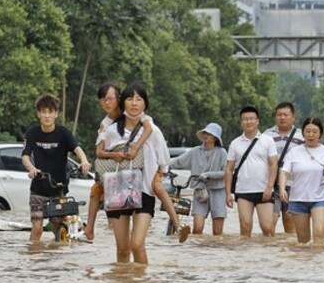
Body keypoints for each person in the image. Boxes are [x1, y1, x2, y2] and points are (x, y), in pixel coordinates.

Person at [85, 84, 188, 242]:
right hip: (121, 173)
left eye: (110, 98)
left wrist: (136, 151)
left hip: (145, 171)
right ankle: (90, 228)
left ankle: (176, 223)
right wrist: (115, 154)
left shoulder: (138, 116)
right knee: (96, 190)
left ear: (119, 99)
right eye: (102, 100)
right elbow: (98, 151)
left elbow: (149, 129)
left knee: (157, 187)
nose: (106, 103)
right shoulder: (107, 124)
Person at [97, 82, 171, 264]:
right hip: (118, 189)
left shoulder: (153, 130)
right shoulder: (111, 130)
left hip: (145, 190)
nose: (134, 103)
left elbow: (164, 161)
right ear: (123, 102)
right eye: (130, 99)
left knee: (137, 244)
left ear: (145, 103)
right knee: (122, 249)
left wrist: (157, 178)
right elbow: (101, 156)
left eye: (139, 99)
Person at [21, 93, 91, 241]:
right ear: (38, 114)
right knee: (37, 228)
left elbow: (77, 149)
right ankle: (34, 259)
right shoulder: (32, 133)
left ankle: (57, 260)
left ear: (56, 114)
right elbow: (25, 156)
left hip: (59, 189)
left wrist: (84, 161)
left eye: (50, 112)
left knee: (57, 227)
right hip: (38, 189)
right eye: (43, 112)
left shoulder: (63, 133)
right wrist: (32, 169)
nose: (47, 116)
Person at [279, 118, 324, 246]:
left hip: (320, 198)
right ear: (303, 133)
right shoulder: (294, 152)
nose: (311, 135)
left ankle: (319, 263)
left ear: (320, 133)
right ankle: (306, 264)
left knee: (319, 234)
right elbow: (284, 172)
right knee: (303, 241)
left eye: (315, 131)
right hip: (298, 199)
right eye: (308, 131)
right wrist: (282, 189)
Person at [225, 106, 278, 237]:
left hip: (264, 190)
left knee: (267, 228)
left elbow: (273, 164)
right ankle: (245, 256)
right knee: (245, 227)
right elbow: (228, 169)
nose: (248, 122)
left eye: (251, 119)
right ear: (241, 122)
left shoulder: (267, 140)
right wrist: (227, 193)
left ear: (257, 121)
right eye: (245, 119)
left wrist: (269, 187)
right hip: (243, 191)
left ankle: (267, 255)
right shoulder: (235, 143)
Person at [170, 123, 228, 235]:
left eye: (210, 134)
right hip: (200, 191)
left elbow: (226, 172)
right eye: (205, 133)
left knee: (217, 232)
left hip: (218, 192)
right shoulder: (195, 151)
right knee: (197, 228)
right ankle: (197, 250)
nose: (206, 136)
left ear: (216, 137)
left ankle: (215, 252)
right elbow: (178, 161)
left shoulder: (222, 152)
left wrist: (209, 174)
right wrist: (163, 165)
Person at [263, 102, 304, 234]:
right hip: (271, 184)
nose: (282, 118)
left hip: (294, 185)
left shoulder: (302, 135)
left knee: (290, 223)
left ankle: (287, 253)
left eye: (286, 115)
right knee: (269, 224)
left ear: (293, 117)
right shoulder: (266, 135)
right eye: (279, 115)